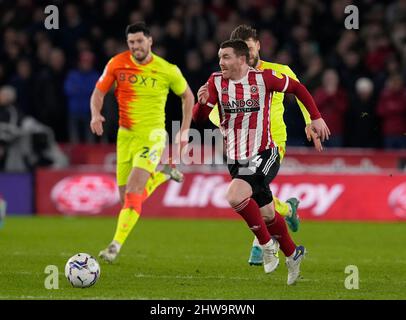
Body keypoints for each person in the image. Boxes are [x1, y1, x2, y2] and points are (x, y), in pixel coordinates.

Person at [193, 39, 330, 285]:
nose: (220, 61)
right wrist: (201, 104)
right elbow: (200, 119)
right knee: (267, 213)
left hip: (265, 152)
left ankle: (267, 245)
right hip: (236, 157)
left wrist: (315, 117)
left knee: (235, 195)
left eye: (226, 57)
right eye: (220, 57)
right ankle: (293, 253)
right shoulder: (215, 82)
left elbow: (298, 88)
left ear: (242, 59)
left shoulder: (264, 78)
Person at [91, 22, 194, 263]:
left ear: (150, 41)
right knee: (126, 198)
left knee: (135, 191)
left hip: (153, 135)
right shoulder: (117, 63)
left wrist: (185, 129)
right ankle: (164, 174)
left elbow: (187, 96)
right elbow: (98, 92)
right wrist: (96, 114)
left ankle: (114, 246)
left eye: (139, 41)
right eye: (131, 43)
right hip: (125, 136)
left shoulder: (167, 70)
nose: (135, 46)